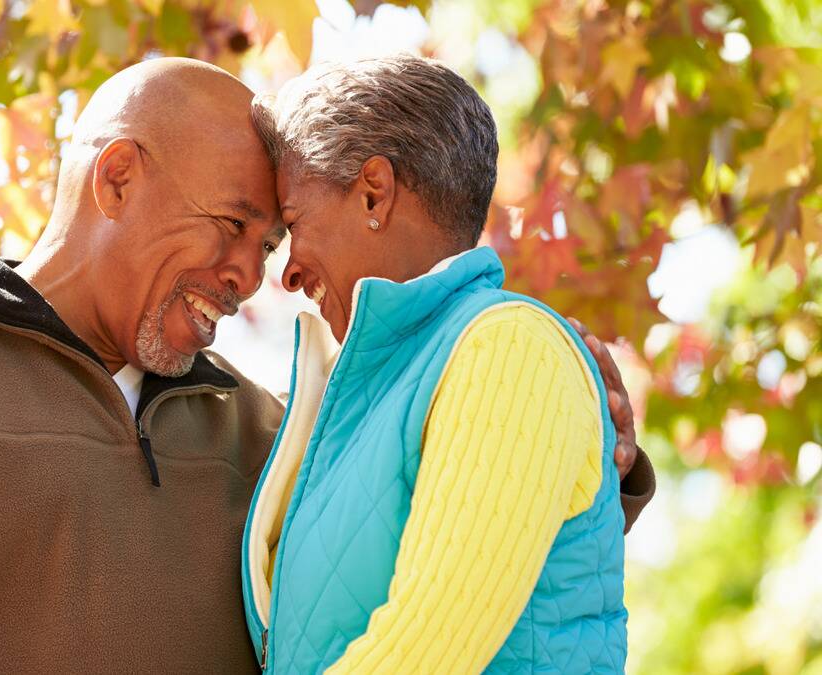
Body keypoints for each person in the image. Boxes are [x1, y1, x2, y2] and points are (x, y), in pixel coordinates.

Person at [0, 58, 652, 674]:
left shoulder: (273, 435)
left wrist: (590, 445)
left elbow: (434, 553)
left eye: (275, 236)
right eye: (233, 225)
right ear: (117, 176)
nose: (253, 275)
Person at [241, 54, 641, 674]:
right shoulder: (372, 403)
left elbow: (423, 651)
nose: (287, 273)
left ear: (375, 192)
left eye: (294, 225)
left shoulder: (511, 349)